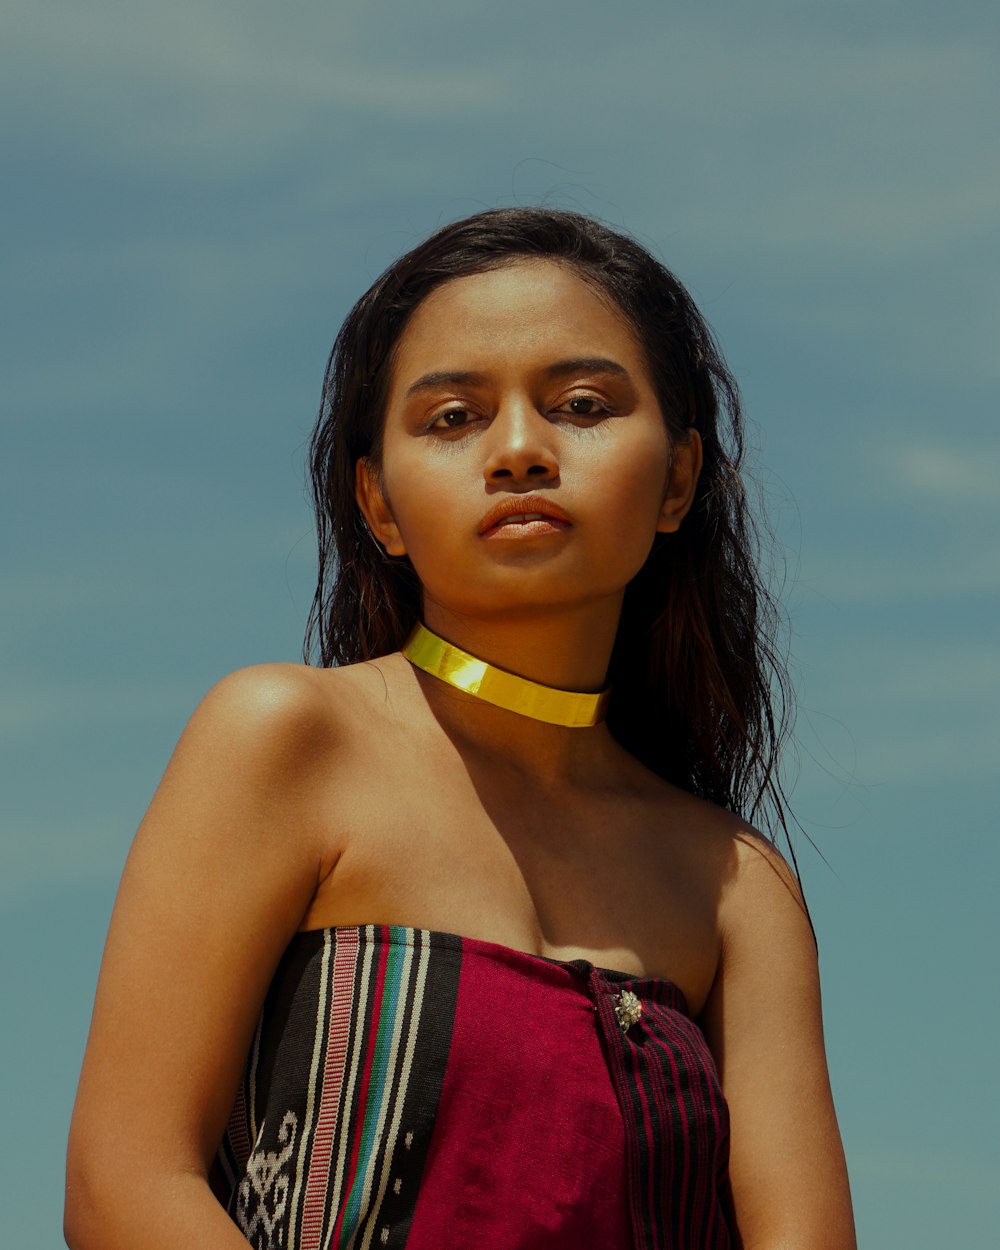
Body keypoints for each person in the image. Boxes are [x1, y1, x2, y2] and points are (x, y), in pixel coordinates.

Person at [65, 208, 856, 1249]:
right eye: (451, 418)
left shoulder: (736, 888)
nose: (519, 450)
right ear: (378, 506)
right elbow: (125, 1183)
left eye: (580, 404)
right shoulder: (286, 737)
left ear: (676, 478)